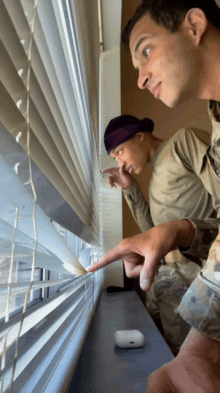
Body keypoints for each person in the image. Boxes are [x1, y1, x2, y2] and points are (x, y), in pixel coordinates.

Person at [88, 1, 220, 391]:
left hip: (197, 278)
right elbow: (152, 230)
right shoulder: (214, 123)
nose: (142, 79)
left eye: (146, 51)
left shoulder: (183, 144)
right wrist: (168, 223)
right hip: (182, 276)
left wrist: (203, 349)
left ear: (195, 25)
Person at [103, 113, 218, 354]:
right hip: (164, 276)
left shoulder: (183, 142)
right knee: (167, 354)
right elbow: (151, 232)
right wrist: (131, 188)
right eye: (115, 158)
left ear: (140, 137)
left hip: (194, 273)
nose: (120, 164)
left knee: (190, 361)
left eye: (120, 152)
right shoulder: (155, 178)